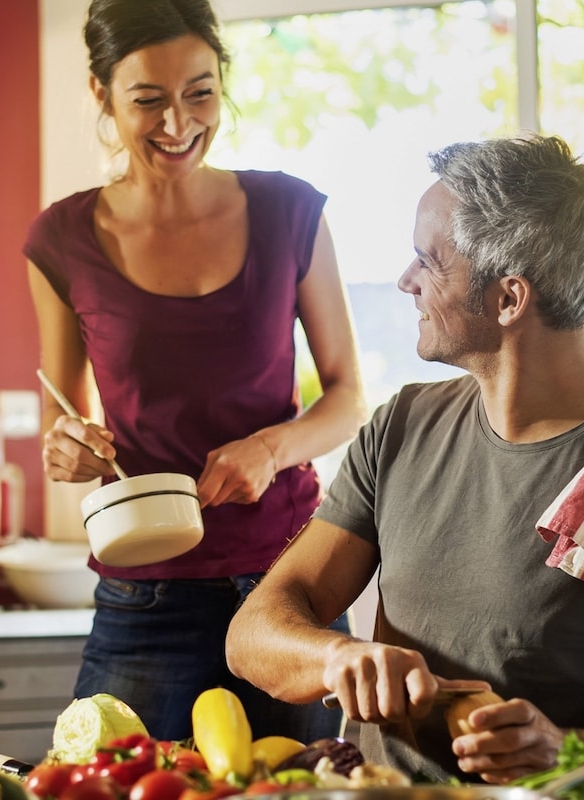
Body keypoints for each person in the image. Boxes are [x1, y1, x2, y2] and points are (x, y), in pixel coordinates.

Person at [225, 133, 584, 784]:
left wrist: (568, 751)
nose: (405, 282)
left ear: (508, 299)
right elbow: (253, 633)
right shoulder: (401, 427)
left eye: (427, 262)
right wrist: (339, 659)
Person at [23, 0, 366, 743]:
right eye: (147, 99)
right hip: (145, 588)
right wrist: (65, 445)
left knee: (309, 790)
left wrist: (270, 448)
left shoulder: (289, 210)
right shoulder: (62, 239)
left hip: (291, 581)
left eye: (200, 93)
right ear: (101, 94)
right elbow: (59, 410)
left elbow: (348, 399)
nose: (177, 124)